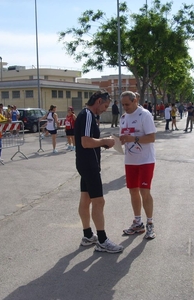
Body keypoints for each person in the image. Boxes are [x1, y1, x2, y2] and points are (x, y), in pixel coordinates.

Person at [74, 90, 123, 253]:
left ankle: (88, 235)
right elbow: (86, 142)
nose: (105, 109)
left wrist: (103, 143)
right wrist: (105, 141)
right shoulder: (87, 114)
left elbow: (86, 141)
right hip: (89, 164)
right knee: (99, 201)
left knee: (85, 198)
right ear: (99, 101)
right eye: (105, 106)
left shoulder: (86, 115)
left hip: (85, 163)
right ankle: (102, 240)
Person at [119, 91, 157, 239]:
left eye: (127, 104)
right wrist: (117, 140)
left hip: (145, 160)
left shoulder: (145, 115)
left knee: (144, 191)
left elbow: (152, 137)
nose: (125, 107)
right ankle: (138, 222)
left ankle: (150, 223)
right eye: (123, 105)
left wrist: (133, 138)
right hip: (130, 161)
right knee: (133, 191)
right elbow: (124, 136)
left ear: (135, 101)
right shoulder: (123, 118)